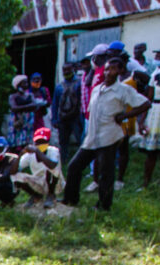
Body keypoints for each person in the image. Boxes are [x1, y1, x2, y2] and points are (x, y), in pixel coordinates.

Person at [62, 58, 149, 211]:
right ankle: (70, 199)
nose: (109, 72)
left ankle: (103, 205)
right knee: (74, 166)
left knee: (106, 173)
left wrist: (124, 116)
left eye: (113, 69)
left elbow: (145, 104)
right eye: (107, 69)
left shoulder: (124, 90)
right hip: (92, 137)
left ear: (121, 71)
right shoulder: (97, 88)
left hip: (109, 136)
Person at [14, 128, 64, 208]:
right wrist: (21, 154)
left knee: (52, 169)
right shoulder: (30, 155)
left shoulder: (53, 151)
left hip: (54, 183)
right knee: (15, 176)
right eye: (38, 142)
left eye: (43, 142)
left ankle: (51, 195)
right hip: (39, 182)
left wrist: (37, 151)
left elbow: (52, 165)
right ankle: (36, 196)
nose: (40, 144)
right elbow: (15, 170)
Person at [52, 63, 84, 165]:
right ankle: (63, 162)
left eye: (68, 70)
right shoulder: (59, 87)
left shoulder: (79, 83)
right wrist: (54, 119)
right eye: (64, 70)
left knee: (81, 139)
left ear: (73, 69)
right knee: (63, 142)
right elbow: (55, 104)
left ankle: (82, 161)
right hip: (63, 118)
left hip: (76, 117)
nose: (66, 72)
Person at [6, 76, 42, 152]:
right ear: (18, 84)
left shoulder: (30, 95)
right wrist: (28, 107)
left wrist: (21, 107)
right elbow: (13, 108)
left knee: (27, 143)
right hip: (17, 121)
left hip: (28, 122)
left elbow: (35, 106)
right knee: (14, 143)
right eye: (24, 82)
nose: (26, 84)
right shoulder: (13, 96)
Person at [138, 65, 160, 188]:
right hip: (155, 113)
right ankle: (146, 182)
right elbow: (149, 98)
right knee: (151, 152)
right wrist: (142, 121)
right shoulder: (155, 75)